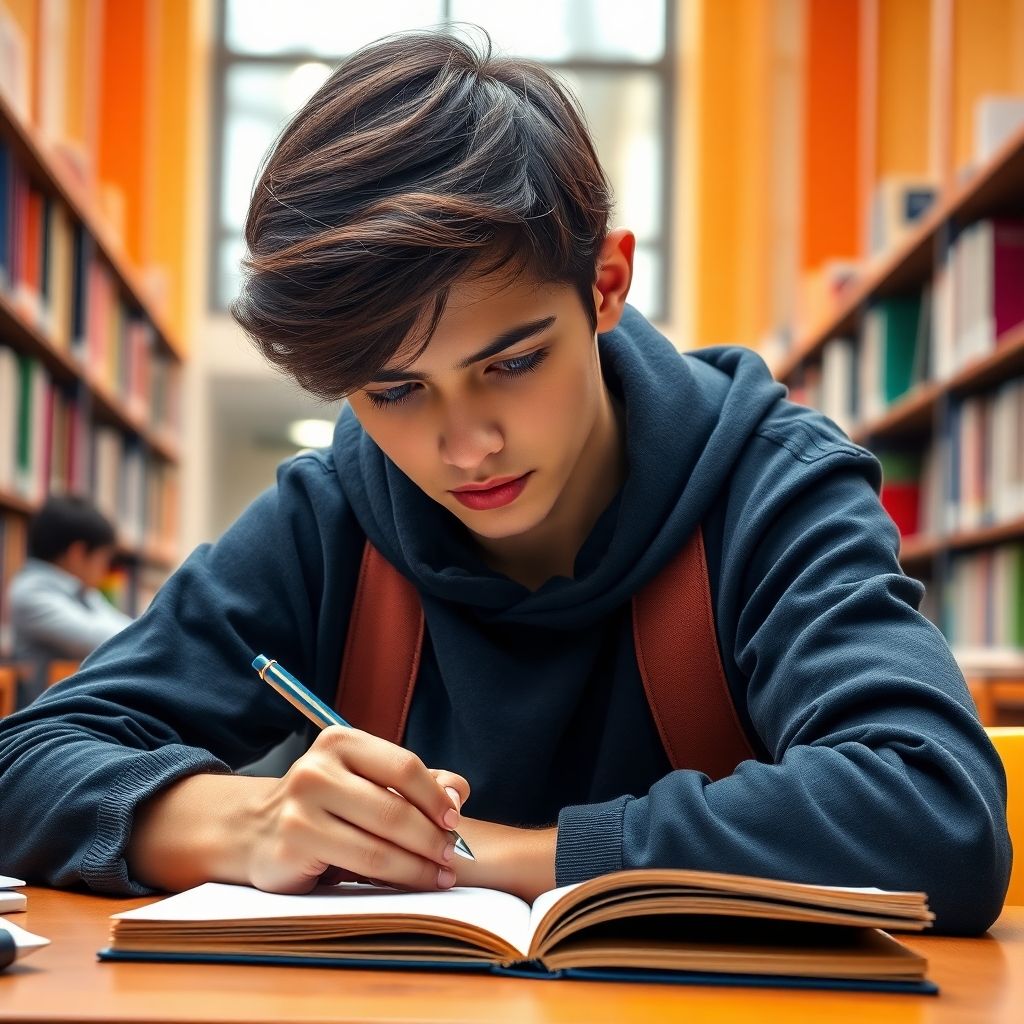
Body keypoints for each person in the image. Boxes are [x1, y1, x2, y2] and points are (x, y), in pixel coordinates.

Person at [0, 31, 1010, 933]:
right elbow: (27, 763)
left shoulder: (770, 484)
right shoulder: (330, 515)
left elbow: (934, 811)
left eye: (512, 362)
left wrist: (506, 859)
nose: (465, 445)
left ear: (606, 284)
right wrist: (247, 818)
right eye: (394, 390)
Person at [7, 494, 132, 708]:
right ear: (77, 553)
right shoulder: (29, 592)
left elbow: (128, 629)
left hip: (81, 707)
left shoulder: (81, 591)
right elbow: (105, 638)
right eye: (103, 559)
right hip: (48, 721)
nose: (104, 571)